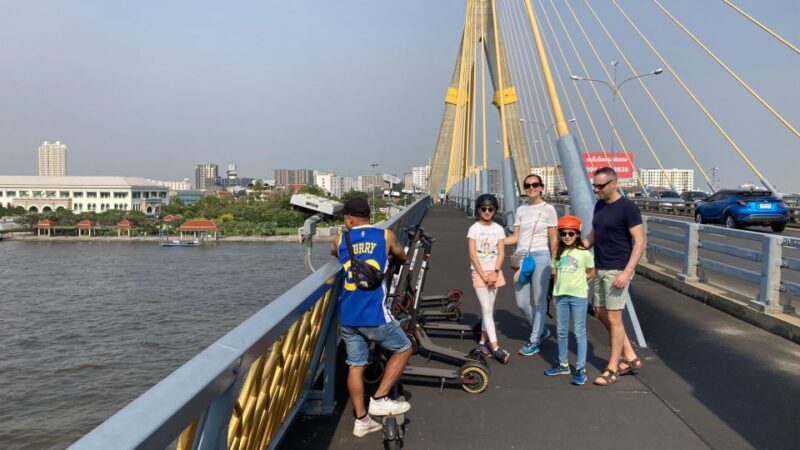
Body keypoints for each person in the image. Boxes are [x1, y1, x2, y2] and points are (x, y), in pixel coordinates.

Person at [331, 196, 411, 437]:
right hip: (374, 314)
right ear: (368, 216)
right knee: (404, 348)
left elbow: (334, 252)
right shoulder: (384, 236)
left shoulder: (340, 239)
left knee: (355, 365)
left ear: (349, 218)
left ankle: (362, 419)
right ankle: (379, 397)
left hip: (348, 315)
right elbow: (401, 255)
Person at [582, 167, 646, 386]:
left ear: (614, 183)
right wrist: (574, 249)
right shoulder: (599, 205)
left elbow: (639, 241)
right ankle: (630, 354)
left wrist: (627, 273)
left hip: (617, 269)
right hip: (600, 267)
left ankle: (612, 368)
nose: (596, 190)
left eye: (601, 186)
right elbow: (593, 235)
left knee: (614, 318)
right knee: (599, 312)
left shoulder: (628, 208)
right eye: (594, 186)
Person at [503, 174, 558, 356]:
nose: (531, 188)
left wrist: (554, 262)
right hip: (522, 257)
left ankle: (534, 340)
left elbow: (553, 238)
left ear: (541, 187)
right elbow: (516, 237)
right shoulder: (521, 210)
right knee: (521, 302)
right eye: (527, 185)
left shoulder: (549, 209)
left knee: (539, 301)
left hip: (541, 256)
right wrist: (496, 240)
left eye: (535, 185)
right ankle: (541, 330)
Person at [544, 215, 594, 385]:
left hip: (578, 297)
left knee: (579, 332)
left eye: (571, 234)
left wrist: (578, 282)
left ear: (577, 234)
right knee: (561, 332)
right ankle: (563, 364)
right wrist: (554, 295)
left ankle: (581, 368)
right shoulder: (558, 253)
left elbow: (591, 272)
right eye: (563, 233)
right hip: (561, 297)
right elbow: (555, 275)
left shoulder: (584, 254)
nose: (567, 237)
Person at [467, 194, 510, 363]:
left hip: (495, 273)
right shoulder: (474, 229)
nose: (487, 212)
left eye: (490, 209)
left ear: (495, 210)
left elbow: (501, 253)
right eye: (483, 209)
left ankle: (483, 342)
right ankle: (496, 347)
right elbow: (472, 254)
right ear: (478, 209)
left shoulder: (498, 229)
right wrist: (484, 275)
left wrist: (495, 272)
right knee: (486, 309)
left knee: (489, 310)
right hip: (479, 273)